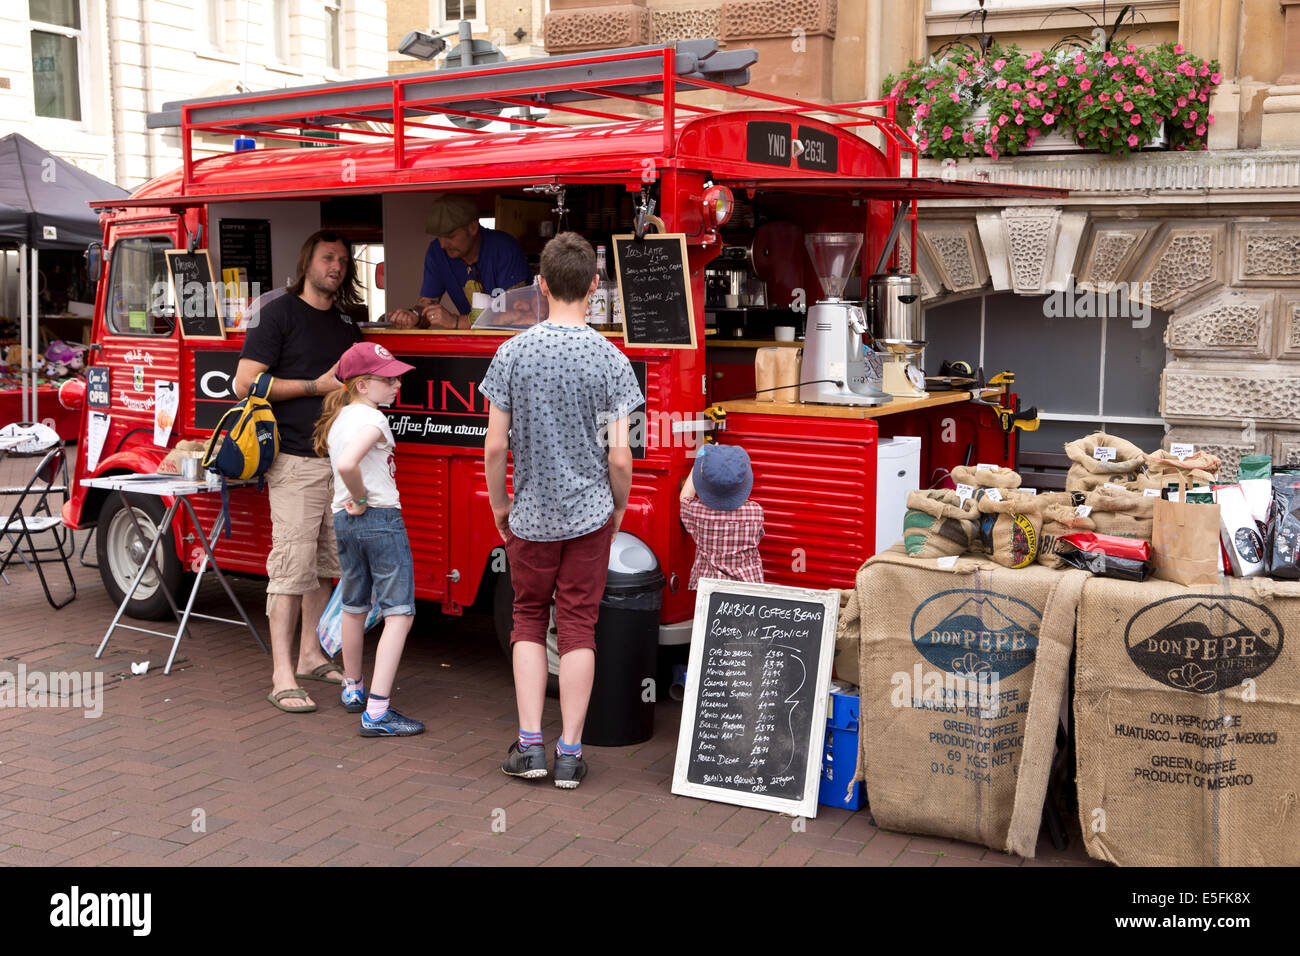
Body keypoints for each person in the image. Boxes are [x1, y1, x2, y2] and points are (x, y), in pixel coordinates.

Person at [481, 232, 643, 789]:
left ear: (541, 285)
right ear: (595, 287)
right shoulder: (613, 360)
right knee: (578, 626)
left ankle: (529, 747)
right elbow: (620, 457)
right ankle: (570, 753)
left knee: (528, 619)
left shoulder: (512, 353)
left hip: (529, 516)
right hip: (590, 516)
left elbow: (496, 446)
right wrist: (617, 510)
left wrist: (501, 505)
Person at [235, 230, 364, 713]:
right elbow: (244, 382)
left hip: (337, 463)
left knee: (325, 567)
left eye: (344, 261)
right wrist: (315, 385)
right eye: (328, 258)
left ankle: (311, 655)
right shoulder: (279, 313)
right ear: (307, 260)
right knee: (290, 570)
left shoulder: (347, 326)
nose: (337, 266)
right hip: (293, 461)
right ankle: (281, 673)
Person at [312, 341, 424, 736]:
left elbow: (340, 462)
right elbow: (347, 464)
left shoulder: (339, 419)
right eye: (388, 379)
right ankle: (377, 712)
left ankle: (353, 687)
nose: (396, 384)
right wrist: (361, 496)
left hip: (345, 521)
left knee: (354, 605)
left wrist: (353, 501)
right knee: (400, 612)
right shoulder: (374, 420)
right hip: (379, 517)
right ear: (361, 384)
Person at [388, 194, 530, 331]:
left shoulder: (504, 248)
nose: (443, 244)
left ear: (473, 228)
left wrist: (456, 321)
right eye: (439, 237)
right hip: (473, 342)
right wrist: (415, 316)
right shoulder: (437, 252)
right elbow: (426, 303)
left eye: (450, 236)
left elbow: (518, 313)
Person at [679, 444, 765, 589]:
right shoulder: (755, 511)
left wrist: (700, 465)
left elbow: (684, 497)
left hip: (710, 590)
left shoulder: (698, 512)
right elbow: (758, 536)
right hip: (748, 587)